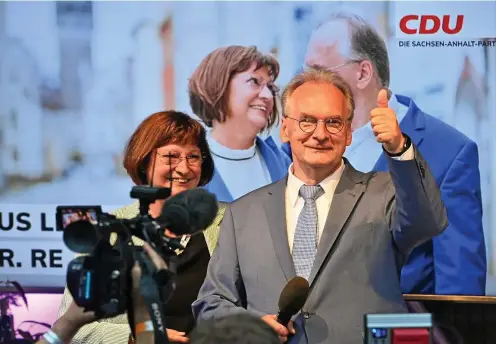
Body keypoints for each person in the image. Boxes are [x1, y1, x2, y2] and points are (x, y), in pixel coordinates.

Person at [192, 69, 447, 344]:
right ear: (285, 129)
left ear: (349, 133)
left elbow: (427, 222)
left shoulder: (385, 192)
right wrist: (251, 325)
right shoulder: (242, 213)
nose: (320, 134)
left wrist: (399, 148)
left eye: (334, 122)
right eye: (307, 121)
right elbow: (212, 303)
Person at [282, 10, 486, 295]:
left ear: (363, 72)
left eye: (319, 71)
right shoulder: (294, 147)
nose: (308, 84)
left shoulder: (449, 153)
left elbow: (459, 292)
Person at [56, 111, 227, 343]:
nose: (184, 168)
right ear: (145, 162)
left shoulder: (231, 220)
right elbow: (77, 328)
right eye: (171, 156)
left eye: (193, 157)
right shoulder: (109, 230)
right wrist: (135, 337)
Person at [189, 45, 291, 202]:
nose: (268, 96)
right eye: (254, 81)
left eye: (270, 87)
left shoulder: (286, 166)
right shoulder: (183, 169)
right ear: (219, 85)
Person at [37, 243, 166, 344]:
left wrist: (67, 324)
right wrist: (142, 321)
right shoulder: (106, 237)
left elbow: (67, 325)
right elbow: (80, 335)